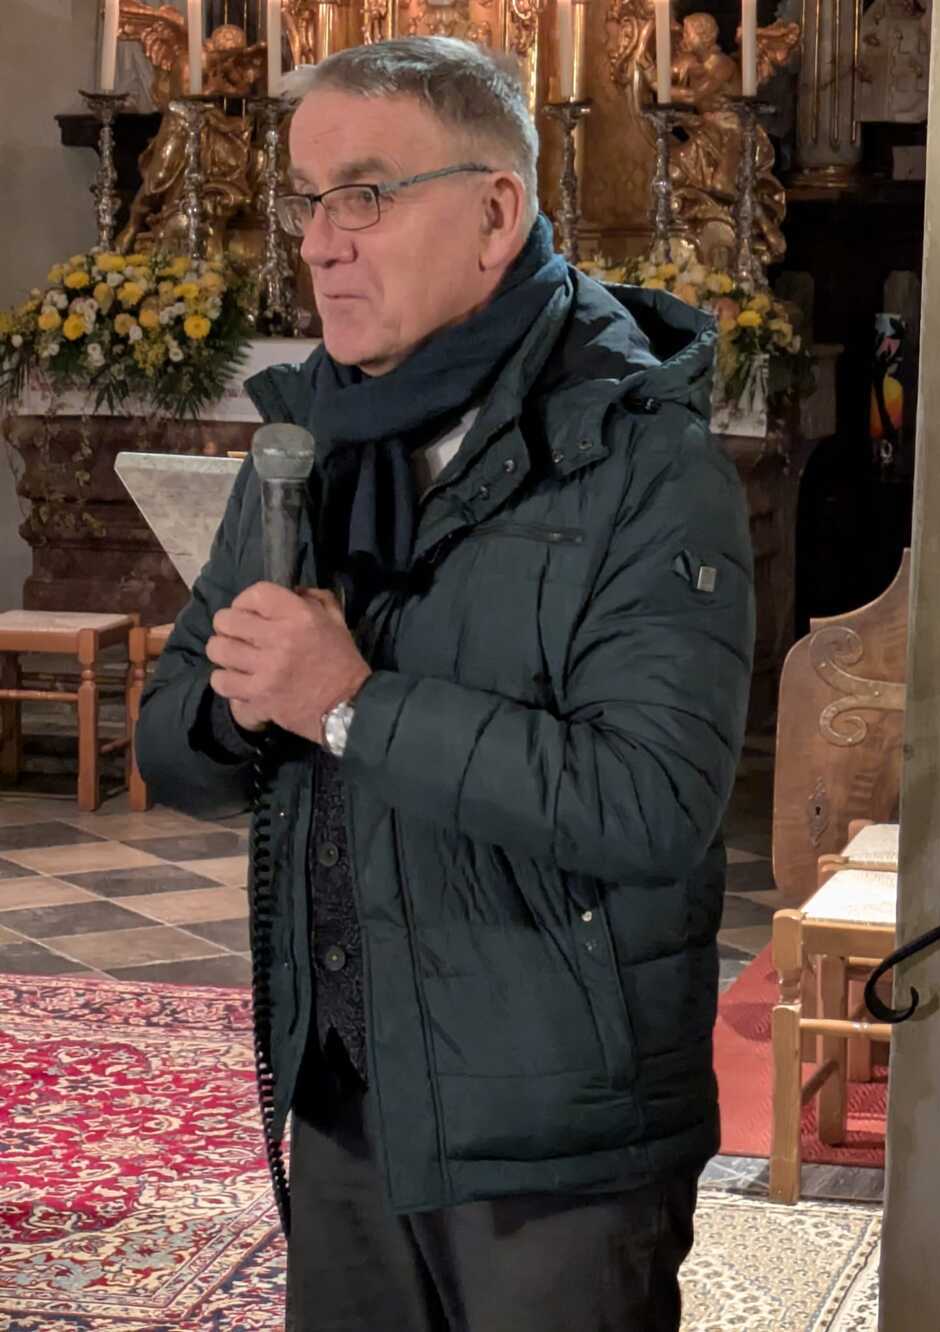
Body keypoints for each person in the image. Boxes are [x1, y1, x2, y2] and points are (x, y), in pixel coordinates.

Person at [135, 36, 754, 1332]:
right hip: (350, 1096)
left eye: (364, 194)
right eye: (309, 200)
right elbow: (170, 745)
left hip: (553, 1141)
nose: (320, 244)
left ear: (494, 214)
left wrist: (350, 703)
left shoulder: (644, 461)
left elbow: (651, 804)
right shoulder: (305, 447)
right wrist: (238, 703)